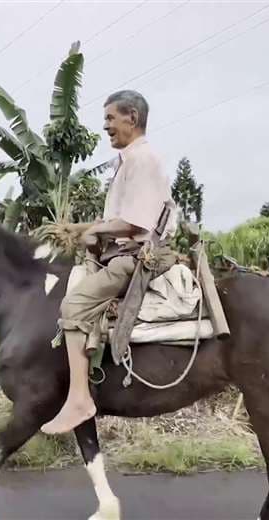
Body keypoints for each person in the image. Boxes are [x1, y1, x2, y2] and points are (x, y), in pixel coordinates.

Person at [41, 90, 173, 435]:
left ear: (132, 116)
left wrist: (86, 229)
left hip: (135, 257)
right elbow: (118, 220)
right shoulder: (129, 160)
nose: (106, 127)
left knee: (73, 306)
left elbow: (134, 224)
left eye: (110, 119)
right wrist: (85, 231)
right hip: (122, 251)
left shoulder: (143, 160)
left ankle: (80, 399)